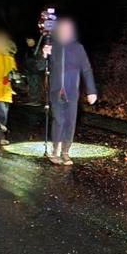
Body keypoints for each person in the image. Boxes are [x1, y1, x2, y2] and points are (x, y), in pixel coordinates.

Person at [42, 18, 97, 165]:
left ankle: (65, 151)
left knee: (70, 122)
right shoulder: (53, 46)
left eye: (68, 29)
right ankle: (55, 150)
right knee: (59, 120)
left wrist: (91, 91)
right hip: (56, 91)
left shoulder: (78, 48)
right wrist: (44, 55)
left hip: (72, 91)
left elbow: (87, 69)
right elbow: (40, 67)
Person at [23, 37, 43, 105]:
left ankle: (36, 100)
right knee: (31, 86)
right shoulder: (28, 50)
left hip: (35, 71)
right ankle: (32, 99)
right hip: (29, 71)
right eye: (27, 41)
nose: (29, 42)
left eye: (30, 40)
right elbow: (26, 61)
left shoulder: (37, 49)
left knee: (35, 86)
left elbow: (40, 61)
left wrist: (35, 65)